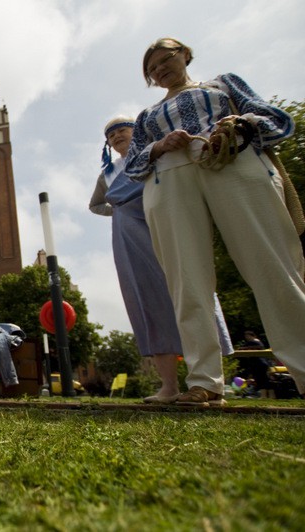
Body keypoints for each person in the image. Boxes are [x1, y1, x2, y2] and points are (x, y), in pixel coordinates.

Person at [125, 37, 305, 406]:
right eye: (152, 68)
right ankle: (204, 382)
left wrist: (239, 122)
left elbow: (277, 121)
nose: (159, 69)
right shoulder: (146, 116)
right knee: (186, 280)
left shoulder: (222, 85)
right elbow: (132, 165)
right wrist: (159, 146)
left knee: (273, 264)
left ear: (185, 55)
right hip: (170, 174)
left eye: (165, 59)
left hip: (232, 160)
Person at [90, 116, 233, 404]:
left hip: (166, 222)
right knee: (148, 300)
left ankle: (208, 381)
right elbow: (95, 205)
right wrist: (119, 211)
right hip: (130, 237)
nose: (117, 136)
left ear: (137, 133)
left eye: (122, 131)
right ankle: (168, 386)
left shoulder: (158, 154)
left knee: (190, 287)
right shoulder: (107, 174)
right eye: (111, 135)